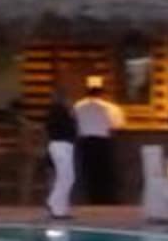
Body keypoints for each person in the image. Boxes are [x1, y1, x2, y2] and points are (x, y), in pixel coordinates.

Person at [72, 79, 122, 204]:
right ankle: (104, 199)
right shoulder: (110, 108)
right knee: (104, 173)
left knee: (88, 172)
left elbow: (74, 124)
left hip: (85, 143)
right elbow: (117, 125)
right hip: (103, 143)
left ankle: (90, 199)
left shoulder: (78, 107)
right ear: (102, 92)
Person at [44, 86, 79, 219]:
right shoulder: (60, 111)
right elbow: (70, 128)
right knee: (67, 177)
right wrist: (72, 114)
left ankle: (60, 210)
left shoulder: (54, 111)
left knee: (64, 177)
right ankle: (53, 202)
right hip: (61, 145)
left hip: (60, 145)